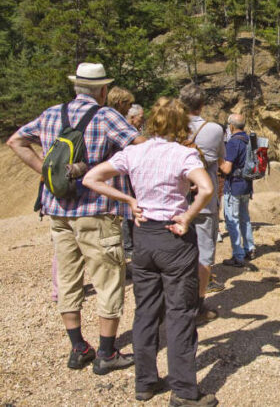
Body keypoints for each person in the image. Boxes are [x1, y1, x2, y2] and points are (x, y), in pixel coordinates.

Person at [6, 62, 142, 374]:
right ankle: (106, 354)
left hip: (57, 209)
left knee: (69, 280)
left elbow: (16, 141)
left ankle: (78, 347)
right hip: (97, 211)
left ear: (76, 87)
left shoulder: (52, 113)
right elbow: (140, 147)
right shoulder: (107, 115)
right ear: (103, 90)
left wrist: (46, 170)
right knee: (108, 280)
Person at [83, 97, 218, 406]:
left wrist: (128, 201)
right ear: (179, 124)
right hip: (174, 237)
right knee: (181, 313)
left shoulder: (133, 152)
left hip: (143, 235)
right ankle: (184, 392)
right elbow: (207, 188)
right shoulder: (184, 154)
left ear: (153, 122)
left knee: (145, 310)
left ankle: (145, 383)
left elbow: (91, 178)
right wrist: (187, 216)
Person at [179, 83, 225, 326]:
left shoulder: (171, 128)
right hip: (205, 201)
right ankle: (197, 306)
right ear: (202, 104)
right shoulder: (214, 129)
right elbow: (221, 158)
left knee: (177, 251)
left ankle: (176, 302)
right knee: (204, 253)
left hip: (176, 200)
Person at [221, 113, 255, 267]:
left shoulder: (233, 143)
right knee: (244, 217)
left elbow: (227, 169)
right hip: (247, 185)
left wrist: (217, 160)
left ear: (232, 126)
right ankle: (250, 248)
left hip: (234, 186)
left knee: (232, 220)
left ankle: (238, 256)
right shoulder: (249, 140)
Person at [107, 87, 137, 260]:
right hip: (114, 179)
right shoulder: (115, 119)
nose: (130, 107)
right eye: (129, 104)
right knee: (113, 226)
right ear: (120, 103)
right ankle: (118, 262)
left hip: (111, 177)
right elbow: (135, 143)